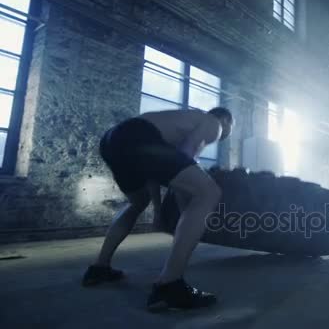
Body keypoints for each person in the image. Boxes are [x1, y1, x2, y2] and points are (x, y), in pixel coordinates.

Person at [82, 107, 234, 312]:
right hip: (138, 136)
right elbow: (187, 155)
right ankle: (170, 284)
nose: (221, 136)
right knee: (209, 192)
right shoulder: (213, 122)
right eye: (228, 129)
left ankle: (99, 267)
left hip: (114, 140)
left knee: (137, 203)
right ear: (225, 121)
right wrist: (185, 210)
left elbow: (154, 174)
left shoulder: (175, 125)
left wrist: (158, 210)